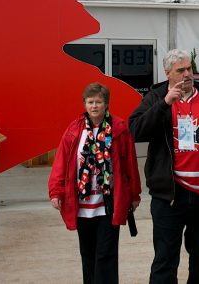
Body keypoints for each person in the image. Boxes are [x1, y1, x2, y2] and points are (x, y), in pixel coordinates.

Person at [129, 49, 199, 284]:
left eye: (189, 68)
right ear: (168, 73)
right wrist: (164, 104)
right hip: (170, 194)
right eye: (181, 70)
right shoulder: (156, 97)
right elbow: (135, 130)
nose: (188, 74)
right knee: (165, 261)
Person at [48, 82, 142, 284]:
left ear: (106, 104)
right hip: (82, 206)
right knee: (88, 255)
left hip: (108, 203)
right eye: (90, 102)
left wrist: (134, 194)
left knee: (106, 255)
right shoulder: (74, 129)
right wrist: (55, 192)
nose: (94, 106)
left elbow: (129, 164)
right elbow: (61, 162)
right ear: (84, 104)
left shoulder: (119, 128)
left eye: (98, 102)